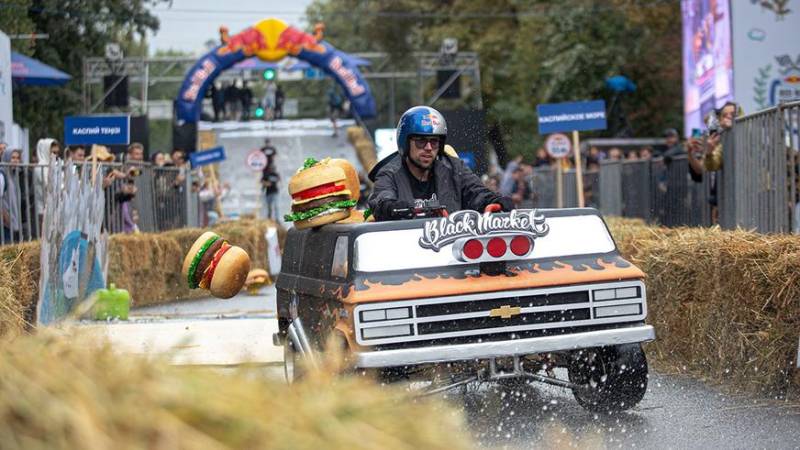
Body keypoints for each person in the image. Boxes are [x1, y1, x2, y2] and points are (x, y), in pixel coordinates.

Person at [367, 106, 514, 221]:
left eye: (434, 142)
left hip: (450, 247)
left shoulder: (454, 167)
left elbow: (476, 192)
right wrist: (392, 207)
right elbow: (381, 200)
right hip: (406, 247)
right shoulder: (389, 173)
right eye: (421, 141)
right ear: (405, 143)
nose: (429, 148)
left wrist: (495, 200)